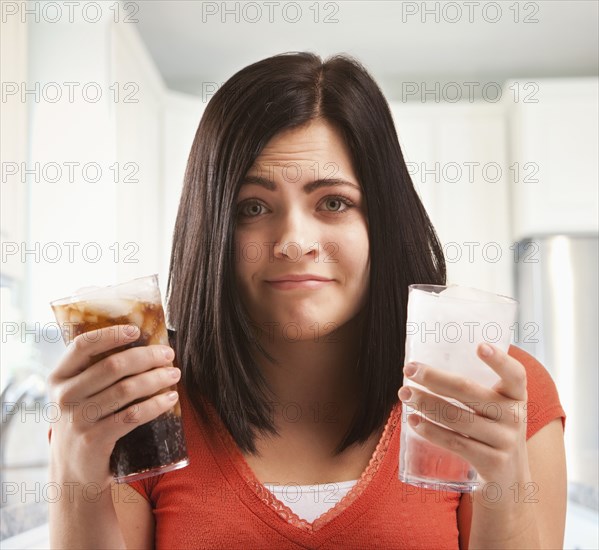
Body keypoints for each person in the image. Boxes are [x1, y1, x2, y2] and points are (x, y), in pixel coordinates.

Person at [47, 52, 567, 549]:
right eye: (252, 206)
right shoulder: (138, 404)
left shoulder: (492, 395)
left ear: (382, 222)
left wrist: (503, 484)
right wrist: (76, 467)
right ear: (212, 233)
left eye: (334, 202)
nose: (294, 241)